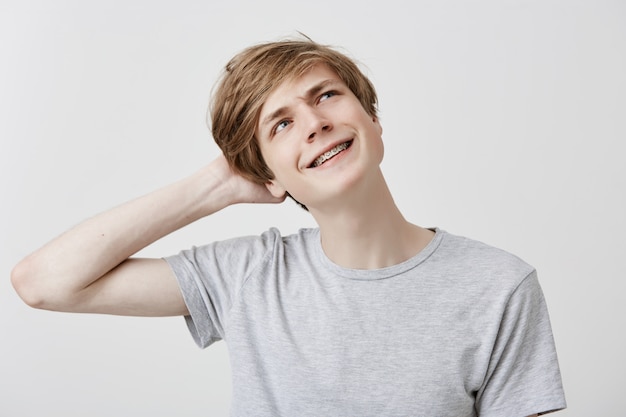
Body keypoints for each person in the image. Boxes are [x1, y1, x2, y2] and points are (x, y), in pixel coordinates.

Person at [11, 38, 566, 416]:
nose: (316, 122)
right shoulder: (248, 273)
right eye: (281, 124)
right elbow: (45, 282)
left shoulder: (499, 286)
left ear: (372, 120)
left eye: (326, 95)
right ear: (265, 174)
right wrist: (217, 186)